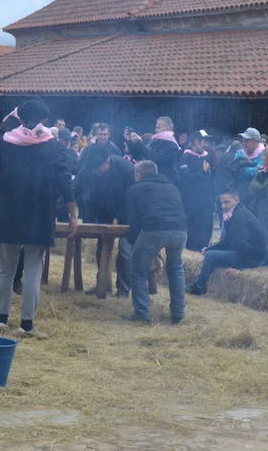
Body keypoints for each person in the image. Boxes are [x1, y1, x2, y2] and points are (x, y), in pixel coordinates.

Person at [0, 98, 79, 338]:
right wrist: (72, 211)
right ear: (44, 120)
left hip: (11, 211)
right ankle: (26, 325)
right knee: (33, 270)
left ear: (20, 117)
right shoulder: (53, 145)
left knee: (6, 269)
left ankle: (1, 320)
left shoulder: (7, 141)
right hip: (39, 213)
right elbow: (63, 178)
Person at [122, 160, 188, 324]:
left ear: (138, 175)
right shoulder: (172, 186)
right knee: (175, 269)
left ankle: (141, 313)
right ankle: (178, 313)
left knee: (138, 268)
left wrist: (132, 242)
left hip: (154, 229)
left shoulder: (135, 189)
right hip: (180, 230)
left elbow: (134, 222)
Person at [79, 143, 135, 293]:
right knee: (102, 248)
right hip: (104, 210)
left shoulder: (127, 169)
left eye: (98, 169)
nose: (95, 172)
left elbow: (134, 197)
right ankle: (102, 284)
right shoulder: (90, 169)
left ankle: (123, 288)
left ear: (106, 162)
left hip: (128, 212)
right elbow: (80, 190)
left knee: (125, 250)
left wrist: (120, 217)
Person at [187, 189, 264, 295]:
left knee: (210, 256)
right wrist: (209, 248)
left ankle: (199, 286)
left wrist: (240, 268)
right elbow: (227, 241)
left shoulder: (241, 216)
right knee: (210, 254)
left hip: (251, 257)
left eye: (226, 202)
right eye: (221, 203)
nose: (223, 206)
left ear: (236, 200)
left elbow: (243, 245)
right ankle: (200, 283)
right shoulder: (234, 213)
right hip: (240, 251)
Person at [177, 133, 217, 250]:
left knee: (206, 229)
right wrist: (203, 173)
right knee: (193, 231)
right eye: (202, 142)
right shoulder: (185, 158)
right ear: (193, 142)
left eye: (206, 141)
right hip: (191, 202)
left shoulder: (208, 156)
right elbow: (186, 180)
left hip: (206, 201)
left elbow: (213, 177)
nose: (205, 145)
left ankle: (203, 251)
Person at [225, 128, 264, 193]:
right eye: (243, 140)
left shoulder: (264, 154)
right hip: (239, 190)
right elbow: (234, 169)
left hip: (255, 193)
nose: (243, 143)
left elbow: (258, 172)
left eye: (247, 141)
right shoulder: (239, 152)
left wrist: (241, 169)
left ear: (256, 142)